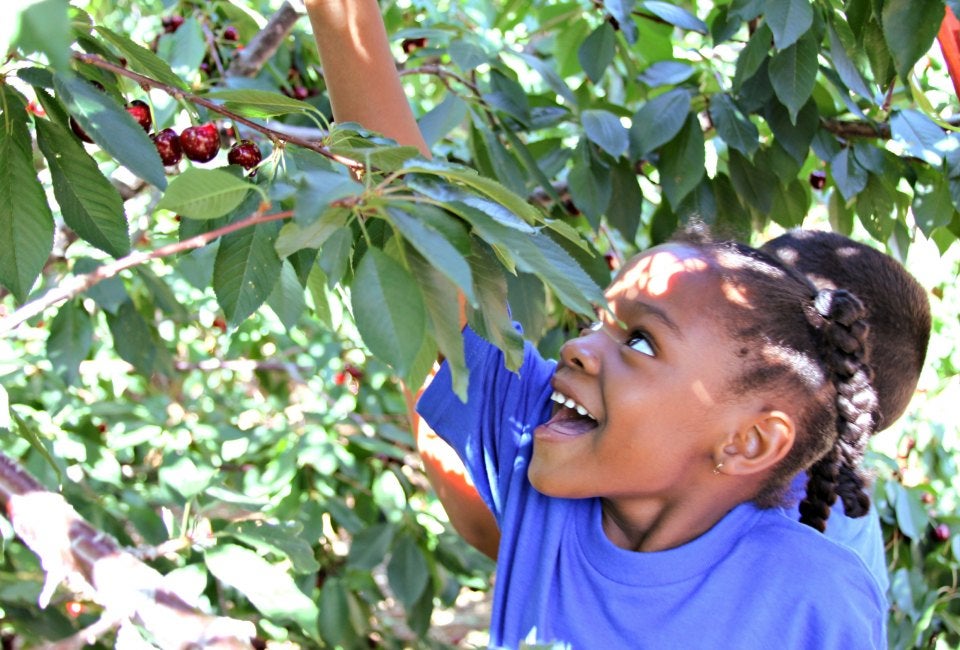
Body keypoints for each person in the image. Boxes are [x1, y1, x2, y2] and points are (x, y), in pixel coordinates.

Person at [304, 2, 930, 646]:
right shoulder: (551, 460)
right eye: (600, 321)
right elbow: (421, 260)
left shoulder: (809, 594)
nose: (574, 347)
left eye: (640, 339)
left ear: (749, 440)